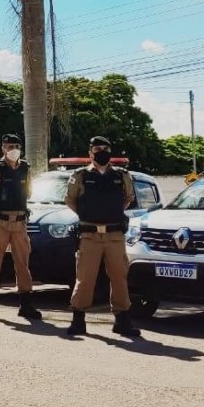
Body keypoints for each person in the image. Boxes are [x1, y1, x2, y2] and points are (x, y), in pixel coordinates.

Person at [65, 136, 141, 337]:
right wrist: (88, 215)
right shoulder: (80, 175)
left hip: (114, 234)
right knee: (85, 278)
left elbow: (128, 198)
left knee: (119, 277)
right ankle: (78, 320)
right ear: (90, 152)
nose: (101, 152)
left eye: (105, 148)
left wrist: (110, 213)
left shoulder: (121, 175)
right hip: (89, 235)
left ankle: (122, 320)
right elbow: (70, 199)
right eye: (97, 148)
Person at [0, 134, 41, 321]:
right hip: (0, 223)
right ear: (2, 148)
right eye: (9, 146)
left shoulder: (25, 168)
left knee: (23, 263)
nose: (12, 149)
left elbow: (28, 193)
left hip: (20, 222)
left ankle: (26, 305)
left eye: (15, 146)